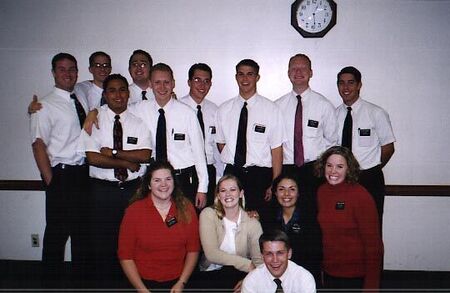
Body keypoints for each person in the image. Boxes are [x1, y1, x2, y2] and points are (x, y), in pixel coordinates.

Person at [84, 63, 208, 210]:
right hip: (151, 179)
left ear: (173, 84)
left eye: (166, 82)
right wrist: (94, 112)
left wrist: (202, 188)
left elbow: (200, 154)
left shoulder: (187, 113)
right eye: (157, 82)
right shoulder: (139, 109)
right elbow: (116, 107)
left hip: (180, 178)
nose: (162, 87)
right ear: (150, 84)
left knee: (182, 225)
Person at [79, 73, 152, 287]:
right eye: (112, 90)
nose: (118, 95)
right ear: (105, 94)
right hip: (103, 191)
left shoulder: (138, 122)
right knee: (104, 243)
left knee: (134, 241)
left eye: (122, 90)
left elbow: (145, 155)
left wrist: (112, 152)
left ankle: (132, 285)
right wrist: (127, 163)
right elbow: (93, 157)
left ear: (128, 93)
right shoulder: (95, 120)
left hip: (133, 190)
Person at [29, 53, 89, 288]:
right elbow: (38, 144)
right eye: (62, 69)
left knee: (82, 235)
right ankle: (49, 286)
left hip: (83, 174)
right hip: (61, 175)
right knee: (56, 237)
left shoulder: (80, 97)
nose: (68, 73)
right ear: (53, 72)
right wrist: (51, 182)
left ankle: (79, 285)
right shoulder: (44, 105)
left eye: (72, 69)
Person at [215, 59, 285, 222]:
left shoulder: (271, 109)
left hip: (259, 176)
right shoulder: (224, 109)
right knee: (231, 221)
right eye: (241, 74)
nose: (245, 79)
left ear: (257, 77)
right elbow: (221, 144)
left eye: (250, 74)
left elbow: (276, 149)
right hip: (233, 173)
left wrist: (274, 183)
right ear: (236, 77)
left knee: (259, 223)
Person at [118, 161, 200, 292]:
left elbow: (193, 249)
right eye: (157, 180)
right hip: (142, 283)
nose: (164, 184)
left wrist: (181, 282)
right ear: (149, 185)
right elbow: (125, 256)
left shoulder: (186, 208)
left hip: (179, 283)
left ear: (174, 182)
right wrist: (142, 290)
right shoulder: (134, 211)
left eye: (168, 179)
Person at [315, 146, 383, 291]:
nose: (333, 171)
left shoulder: (361, 196)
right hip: (329, 274)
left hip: (355, 277)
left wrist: (371, 287)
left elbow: (374, 246)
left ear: (349, 169)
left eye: (339, 166)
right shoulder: (321, 192)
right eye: (329, 165)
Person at [336, 66, 396, 227]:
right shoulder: (334, 115)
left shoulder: (375, 113)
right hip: (340, 181)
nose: (346, 87)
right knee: (344, 227)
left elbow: (388, 148)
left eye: (351, 83)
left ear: (359, 85)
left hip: (369, 178)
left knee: (371, 228)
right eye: (341, 83)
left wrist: (372, 169)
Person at [275, 53, 338, 198]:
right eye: (294, 68)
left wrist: (324, 169)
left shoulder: (324, 105)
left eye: (303, 68)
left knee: (313, 214)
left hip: (314, 170)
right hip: (286, 169)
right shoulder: (277, 106)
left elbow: (332, 142)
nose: (298, 72)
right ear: (288, 73)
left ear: (311, 73)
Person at [196, 174, 263, 290]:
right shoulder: (208, 214)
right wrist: (248, 265)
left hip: (240, 273)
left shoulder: (253, 223)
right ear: (218, 195)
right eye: (223, 190)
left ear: (241, 193)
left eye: (233, 190)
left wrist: (250, 278)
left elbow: (259, 261)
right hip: (210, 273)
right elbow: (211, 254)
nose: (228, 194)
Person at [262, 173, 322, 286]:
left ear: (298, 193)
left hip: (303, 279)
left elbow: (315, 258)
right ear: (275, 192)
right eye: (281, 189)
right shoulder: (267, 218)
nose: (286, 194)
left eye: (292, 189)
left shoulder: (310, 219)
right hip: (274, 279)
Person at [180, 63, 220, 206]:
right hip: (187, 170)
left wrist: (218, 180)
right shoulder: (178, 108)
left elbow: (217, 149)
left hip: (209, 169)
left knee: (206, 219)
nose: (202, 85)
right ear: (189, 82)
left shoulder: (215, 111)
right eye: (197, 80)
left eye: (206, 81)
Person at [27, 51, 112, 114]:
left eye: (105, 65)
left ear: (110, 69)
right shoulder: (80, 88)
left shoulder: (120, 91)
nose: (102, 69)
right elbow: (59, 95)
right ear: (90, 69)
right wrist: (34, 109)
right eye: (97, 65)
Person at [241, 229, 316, 293]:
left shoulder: (304, 279)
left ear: (289, 253)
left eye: (280, 253)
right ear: (262, 256)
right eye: (269, 254)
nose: (275, 260)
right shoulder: (251, 281)